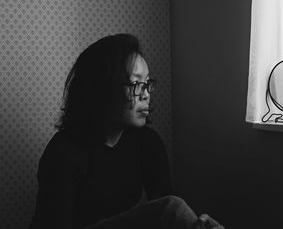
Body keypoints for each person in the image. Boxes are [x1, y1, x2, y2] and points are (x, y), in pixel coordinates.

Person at [28, 34, 224, 229]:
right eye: (136, 84)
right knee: (172, 208)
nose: (146, 94)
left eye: (147, 84)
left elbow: (165, 200)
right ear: (103, 88)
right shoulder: (64, 151)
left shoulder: (147, 142)